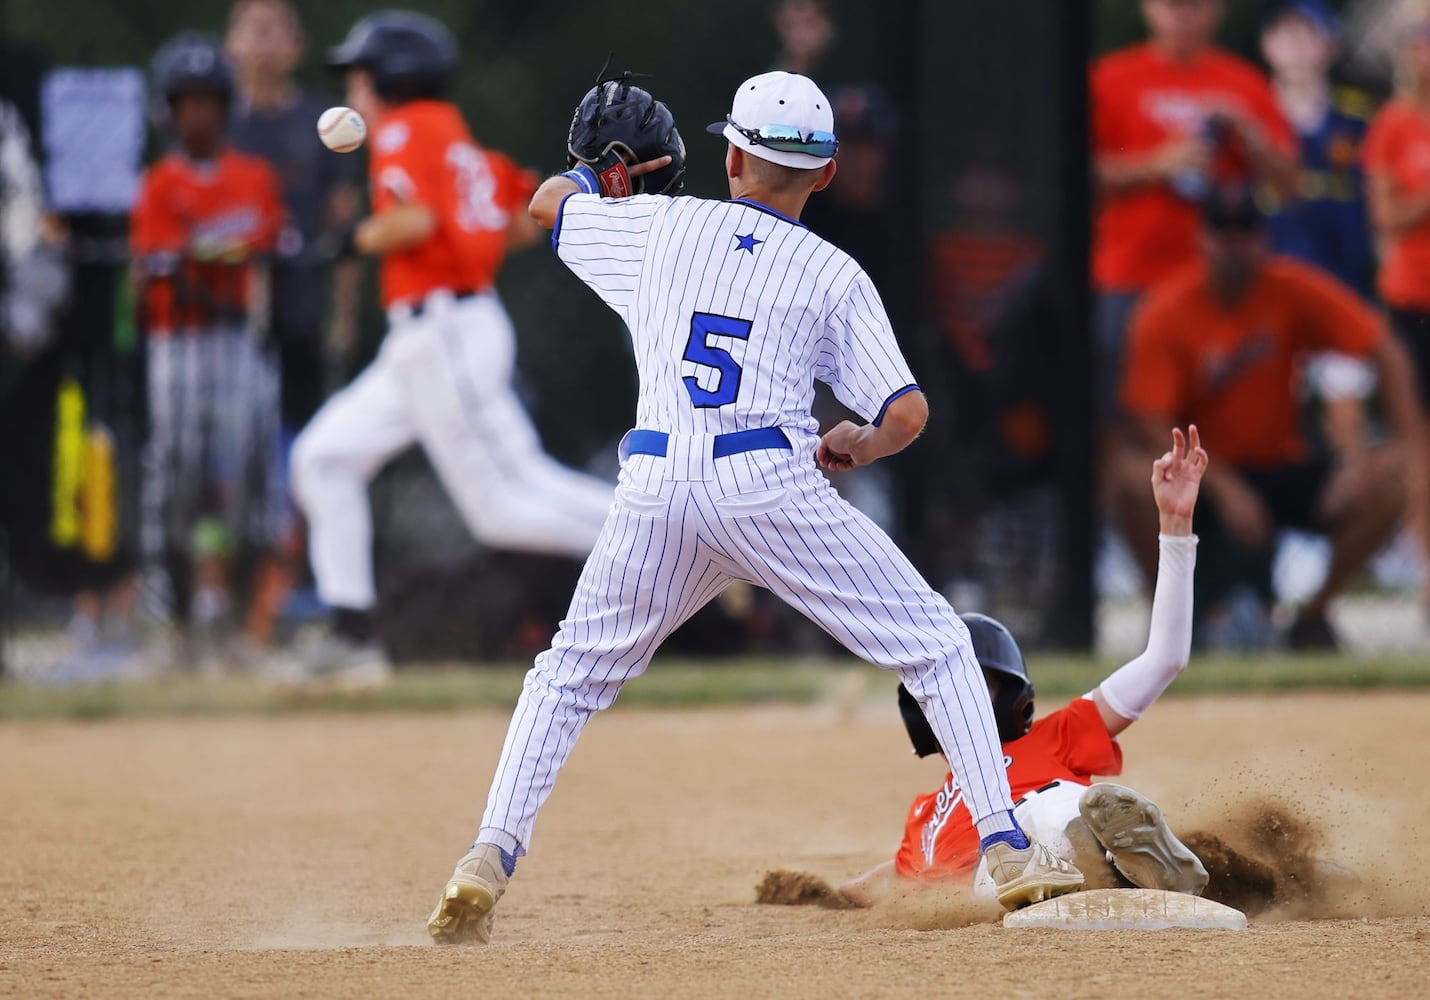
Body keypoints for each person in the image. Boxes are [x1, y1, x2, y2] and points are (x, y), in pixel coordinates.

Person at [425, 70, 1084, 946]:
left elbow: (547, 206)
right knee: (935, 645)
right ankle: (1006, 850)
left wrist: (603, 177)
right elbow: (907, 414)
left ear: (730, 156)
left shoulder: (661, 226)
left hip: (657, 485)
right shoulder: (833, 271)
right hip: (766, 483)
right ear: (827, 176)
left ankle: (488, 856)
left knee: (568, 676)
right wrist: (858, 441)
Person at [287, 12, 615, 681]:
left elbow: (415, 220)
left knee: (505, 504)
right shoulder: (456, 140)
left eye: (361, 77)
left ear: (393, 79)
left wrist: (355, 240)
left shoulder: (407, 127)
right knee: (324, 459)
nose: (354, 92)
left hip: (445, 334)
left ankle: (676, 542)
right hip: (426, 338)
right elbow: (528, 216)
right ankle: (351, 638)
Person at [822, 427, 1210, 907]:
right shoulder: (924, 815)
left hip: (1034, 828)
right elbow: (888, 878)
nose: (954, 692)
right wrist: (819, 893)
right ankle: (1107, 863)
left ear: (1009, 692)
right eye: (939, 684)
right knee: (1014, 843)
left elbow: (1165, 659)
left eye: (974, 680)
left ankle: (1119, 853)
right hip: (990, 878)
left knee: (1051, 809)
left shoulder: (1057, 735)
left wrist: (1176, 525)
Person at [1115, 185, 1427, 649]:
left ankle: (1312, 618)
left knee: (1385, 482)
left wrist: (1410, 445)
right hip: (1198, 476)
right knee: (1125, 478)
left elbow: (1383, 345)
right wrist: (1224, 486)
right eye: (1224, 233)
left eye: (1246, 233)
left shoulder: (1287, 288)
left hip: (1280, 465)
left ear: (1262, 239)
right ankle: (1168, 623)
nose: (1235, 246)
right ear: (1202, 239)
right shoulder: (1166, 309)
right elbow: (1147, 418)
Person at [130, 32, 286, 651]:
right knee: (176, 471)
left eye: (208, 101)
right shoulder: (158, 185)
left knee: (234, 476)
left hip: (238, 346)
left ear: (225, 107)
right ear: (168, 111)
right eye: (185, 102)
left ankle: (229, 602)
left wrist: (205, 251)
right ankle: (169, 601)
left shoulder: (254, 177)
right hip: (178, 347)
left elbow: (268, 244)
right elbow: (161, 267)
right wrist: (223, 253)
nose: (198, 114)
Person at [224, 0, 363, 646]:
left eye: (277, 29)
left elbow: (344, 225)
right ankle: (224, 597)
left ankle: (294, 589)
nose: (265, 41)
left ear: (299, 44)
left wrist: (344, 315)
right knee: (233, 463)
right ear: (232, 43)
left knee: (302, 456)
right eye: (253, 28)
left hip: (301, 318)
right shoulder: (216, 124)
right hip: (224, 327)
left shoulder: (320, 124)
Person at [1092, 0, 1297, 425]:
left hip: (1219, 283)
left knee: (1213, 418)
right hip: (1129, 274)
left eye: (1196, 5)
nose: (1184, 14)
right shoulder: (1111, 77)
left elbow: (1290, 185)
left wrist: (1249, 135)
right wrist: (1156, 164)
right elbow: (1076, 175)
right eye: (1174, 4)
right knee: (1121, 415)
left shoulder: (1244, 83)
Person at [1261, 0, 1380, 458]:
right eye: (1286, 35)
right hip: (1270, 289)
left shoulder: (1358, 118)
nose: (1296, 47)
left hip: (1341, 285)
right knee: (1270, 408)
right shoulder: (1252, 113)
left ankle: (1349, 511)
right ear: (1268, 46)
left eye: (1307, 35)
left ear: (1328, 45)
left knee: (1346, 411)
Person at [1364, 0, 1430, 619]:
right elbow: (1387, 217)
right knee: (1418, 446)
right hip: (1413, 299)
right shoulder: (1393, 125)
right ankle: (1426, 577)